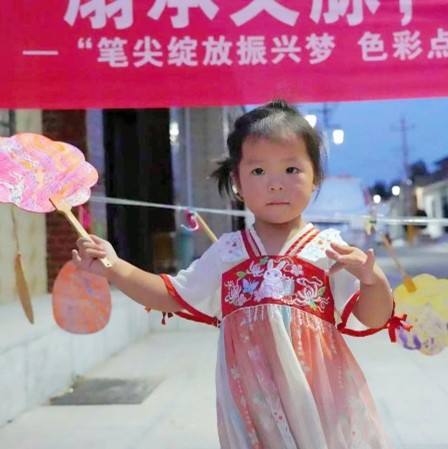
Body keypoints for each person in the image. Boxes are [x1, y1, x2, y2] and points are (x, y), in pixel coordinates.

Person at [73, 100, 408, 449]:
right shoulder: (228, 253)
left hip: (317, 402)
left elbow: (374, 316)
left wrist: (373, 280)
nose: (275, 184)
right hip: (252, 407)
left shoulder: (328, 250)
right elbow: (169, 294)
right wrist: (114, 266)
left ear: (315, 179)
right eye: (259, 171)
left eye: (291, 169)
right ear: (237, 182)